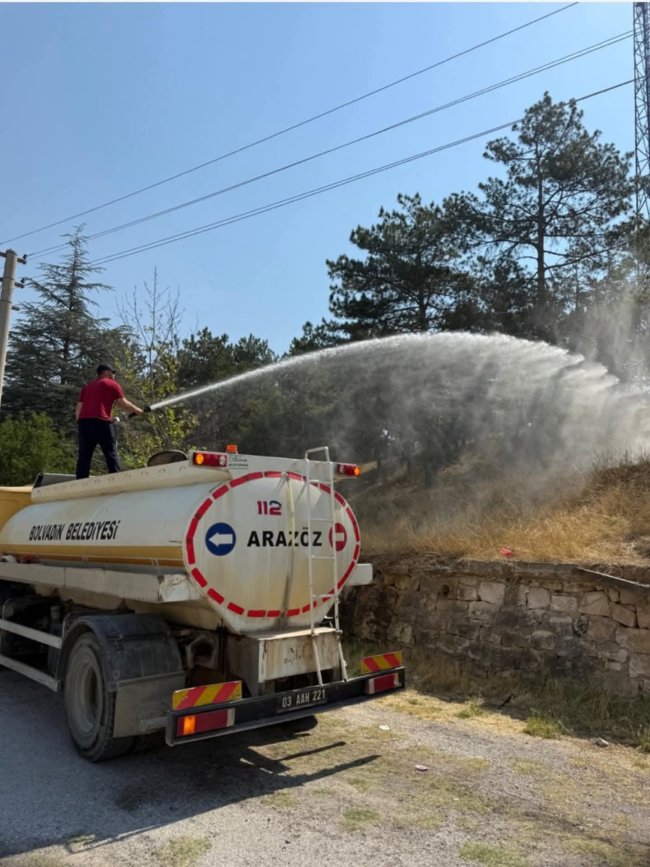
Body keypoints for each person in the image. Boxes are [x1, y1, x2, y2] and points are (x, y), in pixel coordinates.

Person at [75, 364, 144, 479]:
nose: (114, 375)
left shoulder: (87, 387)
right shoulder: (111, 384)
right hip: (101, 422)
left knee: (84, 455)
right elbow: (122, 402)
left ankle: (80, 482)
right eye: (113, 373)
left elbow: (79, 407)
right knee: (110, 452)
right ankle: (116, 480)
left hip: (84, 423)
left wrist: (81, 422)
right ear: (106, 372)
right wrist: (136, 409)